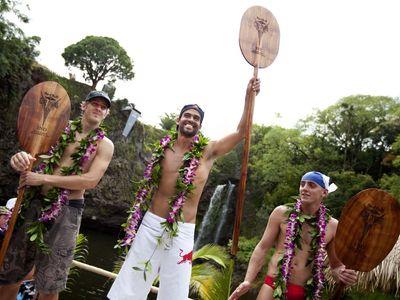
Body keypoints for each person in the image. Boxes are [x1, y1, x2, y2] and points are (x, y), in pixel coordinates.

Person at [108, 78, 260, 300]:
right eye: (187, 115)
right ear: (178, 119)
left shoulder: (208, 151)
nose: (191, 119)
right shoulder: (163, 150)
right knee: (132, 281)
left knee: (175, 289)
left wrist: (249, 96)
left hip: (183, 231)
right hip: (152, 224)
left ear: (200, 125)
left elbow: (242, 131)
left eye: (196, 118)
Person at [0, 90, 114, 300]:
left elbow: (90, 180)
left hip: (67, 212)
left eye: (103, 106)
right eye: (94, 103)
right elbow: (32, 153)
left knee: (50, 284)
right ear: (83, 106)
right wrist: (20, 158)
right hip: (33, 203)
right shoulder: (57, 128)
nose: (98, 108)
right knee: (9, 272)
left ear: (106, 113)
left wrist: (43, 179)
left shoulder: (105, 145)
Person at [229, 171, 358, 300]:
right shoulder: (281, 213)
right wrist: (248, 280)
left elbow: (335, 266)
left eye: (311, 185)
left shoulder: (333, 226)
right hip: (273, 285)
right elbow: (262, 248)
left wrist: (342, 274)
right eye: (302, 184)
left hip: (305, 292)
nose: (305, 188)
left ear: (324, 193)